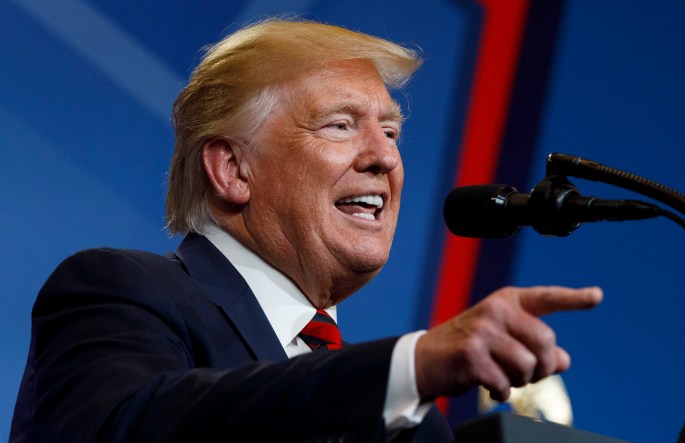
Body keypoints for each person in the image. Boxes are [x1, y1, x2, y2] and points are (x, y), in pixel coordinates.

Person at [10, 18, 602, 442]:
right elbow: (130, 428)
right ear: (233, 169)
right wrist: (408, 366)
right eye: (340, 125)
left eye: (391, 132)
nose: (385, 158)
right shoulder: (122, 291)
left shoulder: (416, 424)